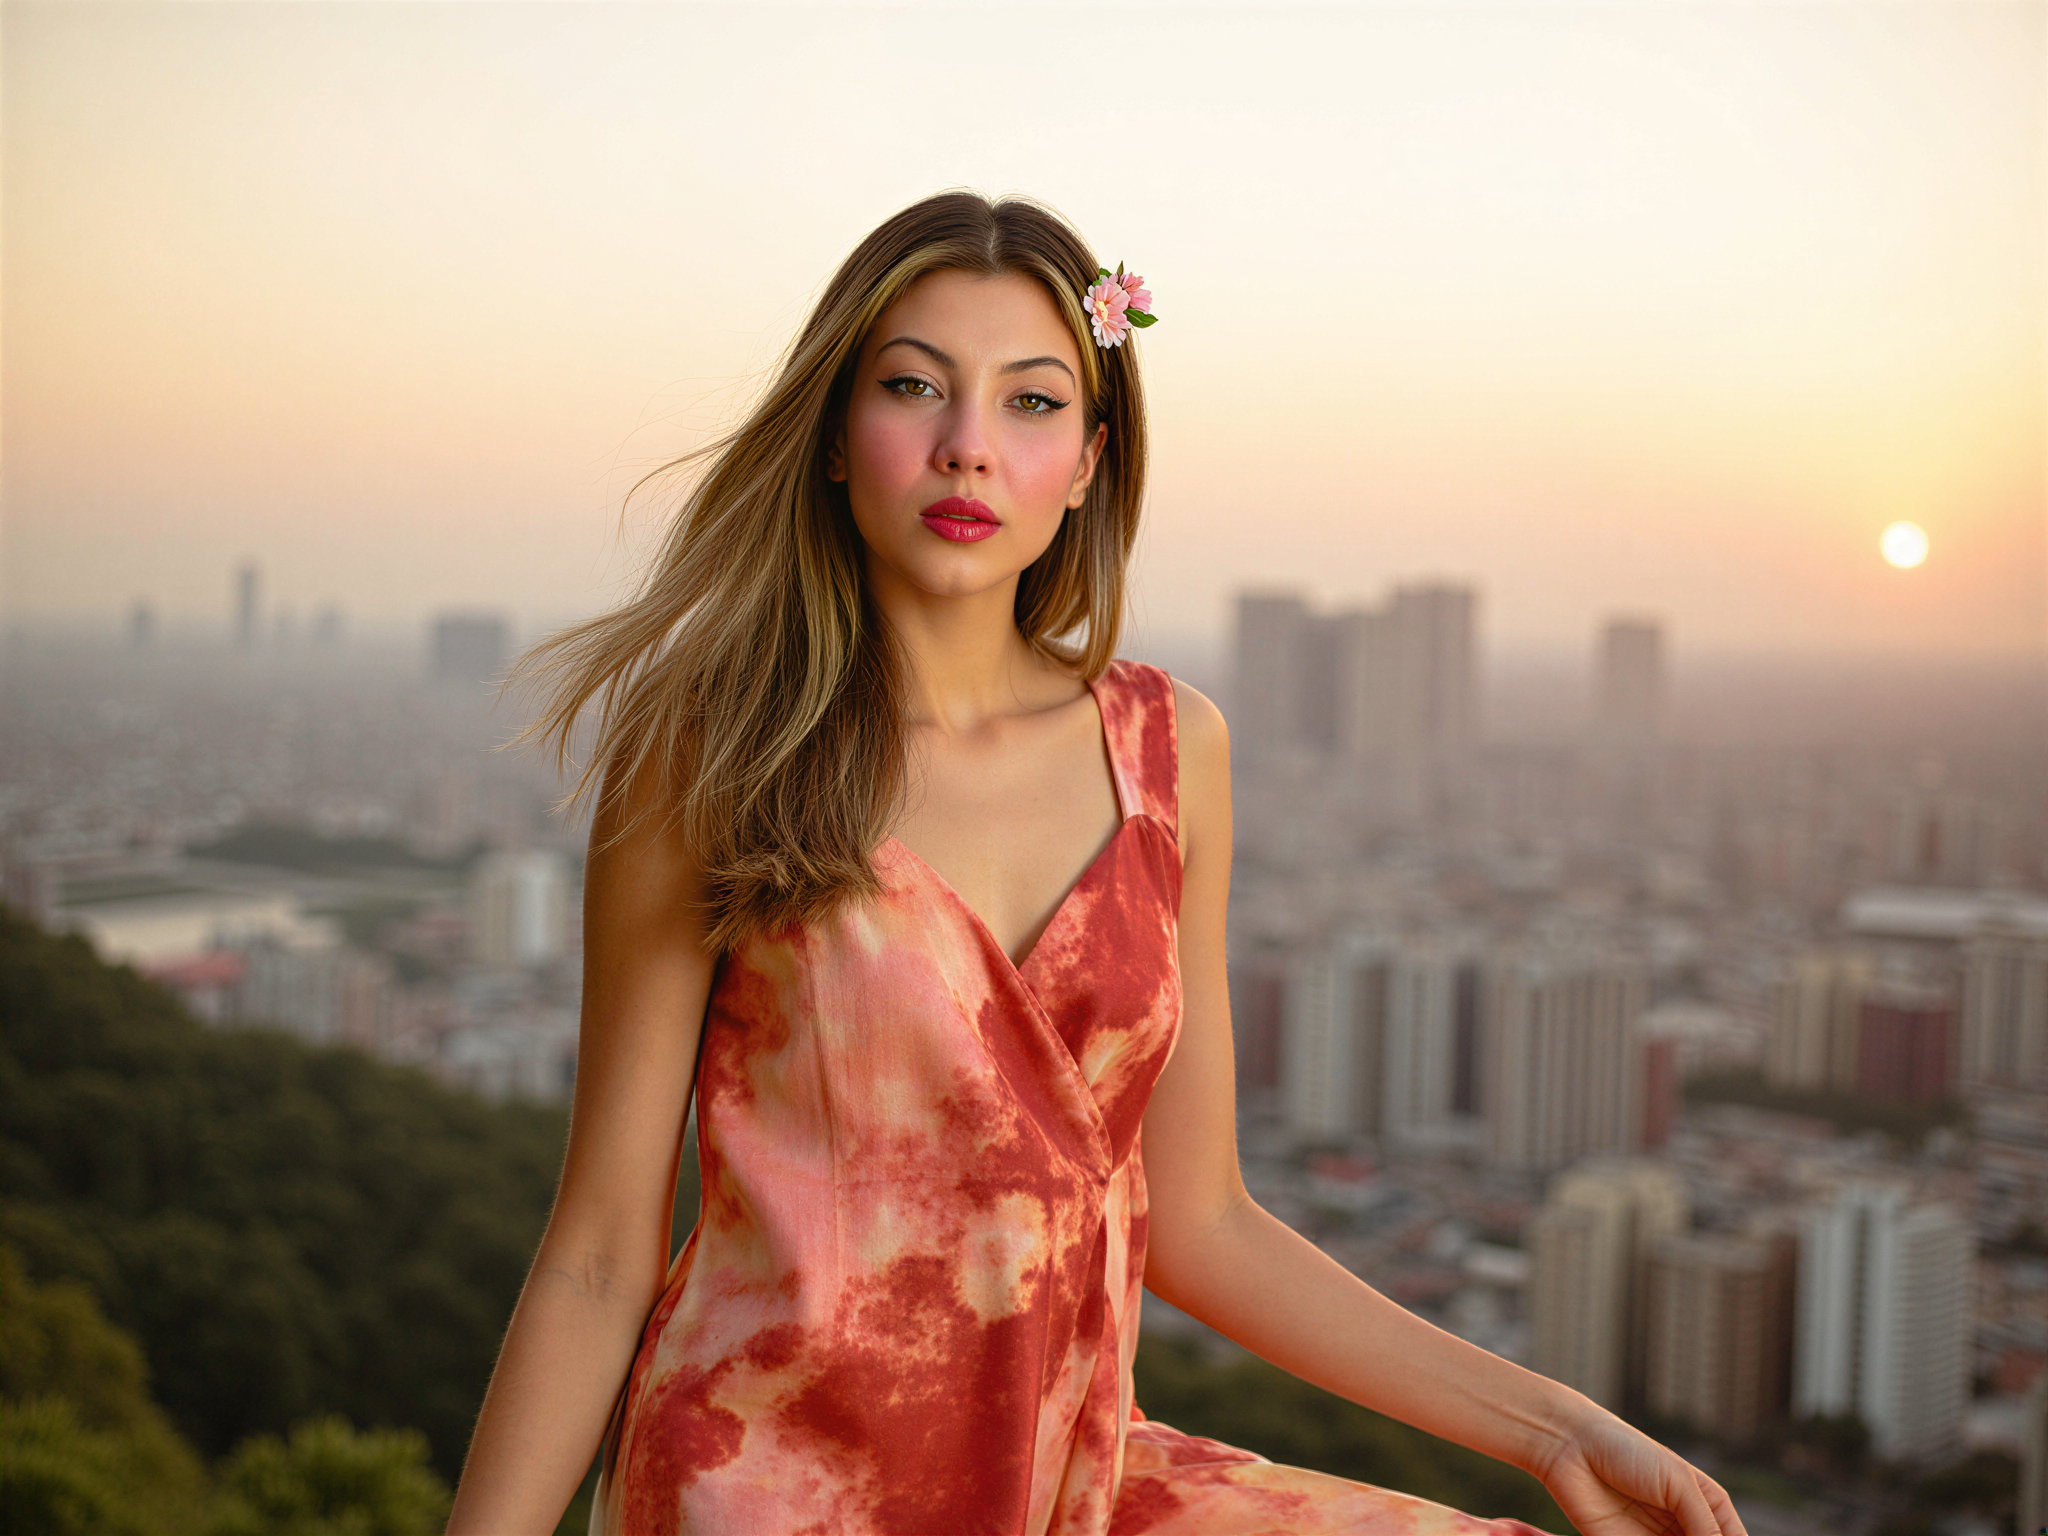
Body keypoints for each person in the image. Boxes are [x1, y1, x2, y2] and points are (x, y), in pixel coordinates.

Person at [447, 190, 1746, 1536]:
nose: (967, 450)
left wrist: (1559, 1432)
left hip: (1062, 1483)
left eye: (1030, 403)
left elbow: (1203, 1223)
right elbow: (601, 1257)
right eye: (913, 389)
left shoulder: (1172, 752)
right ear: (837, 436)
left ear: (1088, 459)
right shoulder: (713, 750)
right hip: (763, 1489)